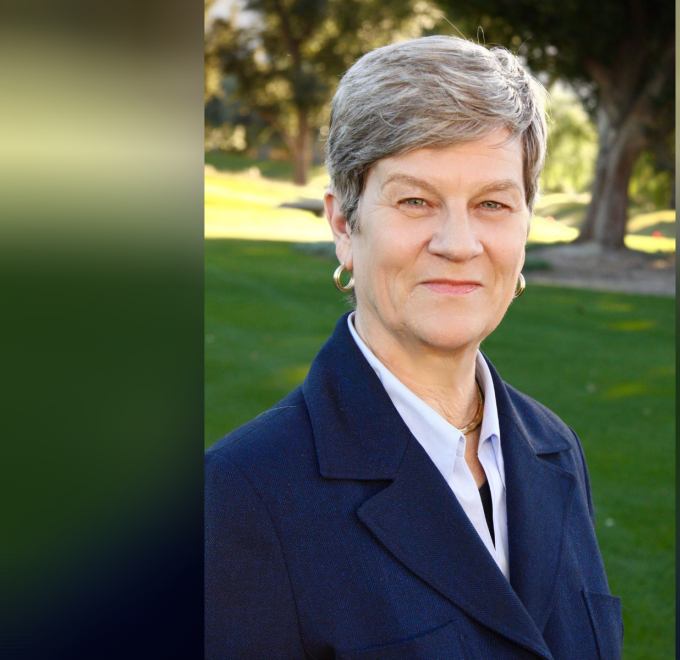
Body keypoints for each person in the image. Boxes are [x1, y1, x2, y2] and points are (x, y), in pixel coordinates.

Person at [205, 35, 622, 660]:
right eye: (416, 200)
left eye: (492, 203)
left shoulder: (554, 450)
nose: (459, 242)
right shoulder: (241, 497)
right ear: (345, 225)